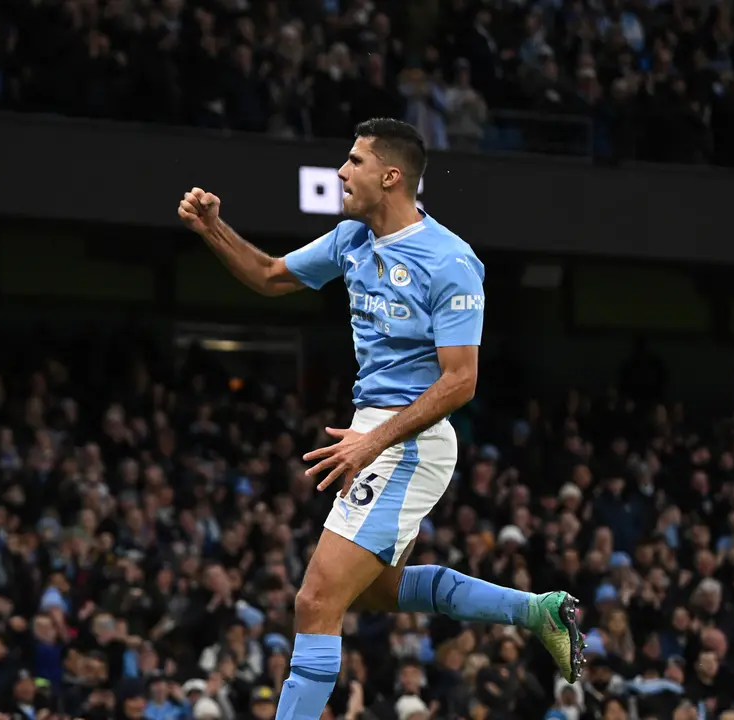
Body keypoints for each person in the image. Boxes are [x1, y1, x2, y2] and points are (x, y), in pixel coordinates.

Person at [176, 117, 585, 720]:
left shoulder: (450, 261)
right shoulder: (350, 241)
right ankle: (535, 610)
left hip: (409, 441)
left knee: (314, 601)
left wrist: (373, 444)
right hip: (376, 435)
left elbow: (460, 382)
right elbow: (267, 275)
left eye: (355, 161)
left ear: (390, 176)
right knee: (376, 592)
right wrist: (214, 229)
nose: (342, 172)